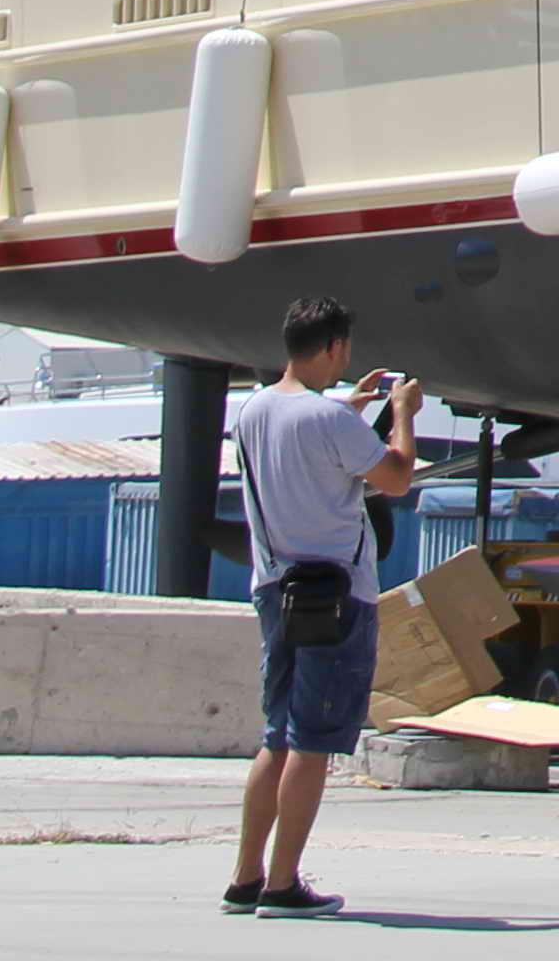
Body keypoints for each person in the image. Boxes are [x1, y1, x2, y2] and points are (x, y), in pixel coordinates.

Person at [222, 299, 420, 918]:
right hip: (335, 596)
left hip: (274, 589)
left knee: (277, 737)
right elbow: (397, 476)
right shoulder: (330, 420)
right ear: (334, 346)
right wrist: (401, 414)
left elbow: (304, 450)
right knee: (312, 743)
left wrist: (350, 411)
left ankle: (246, 878)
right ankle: (283, 886)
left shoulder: (254, 410)